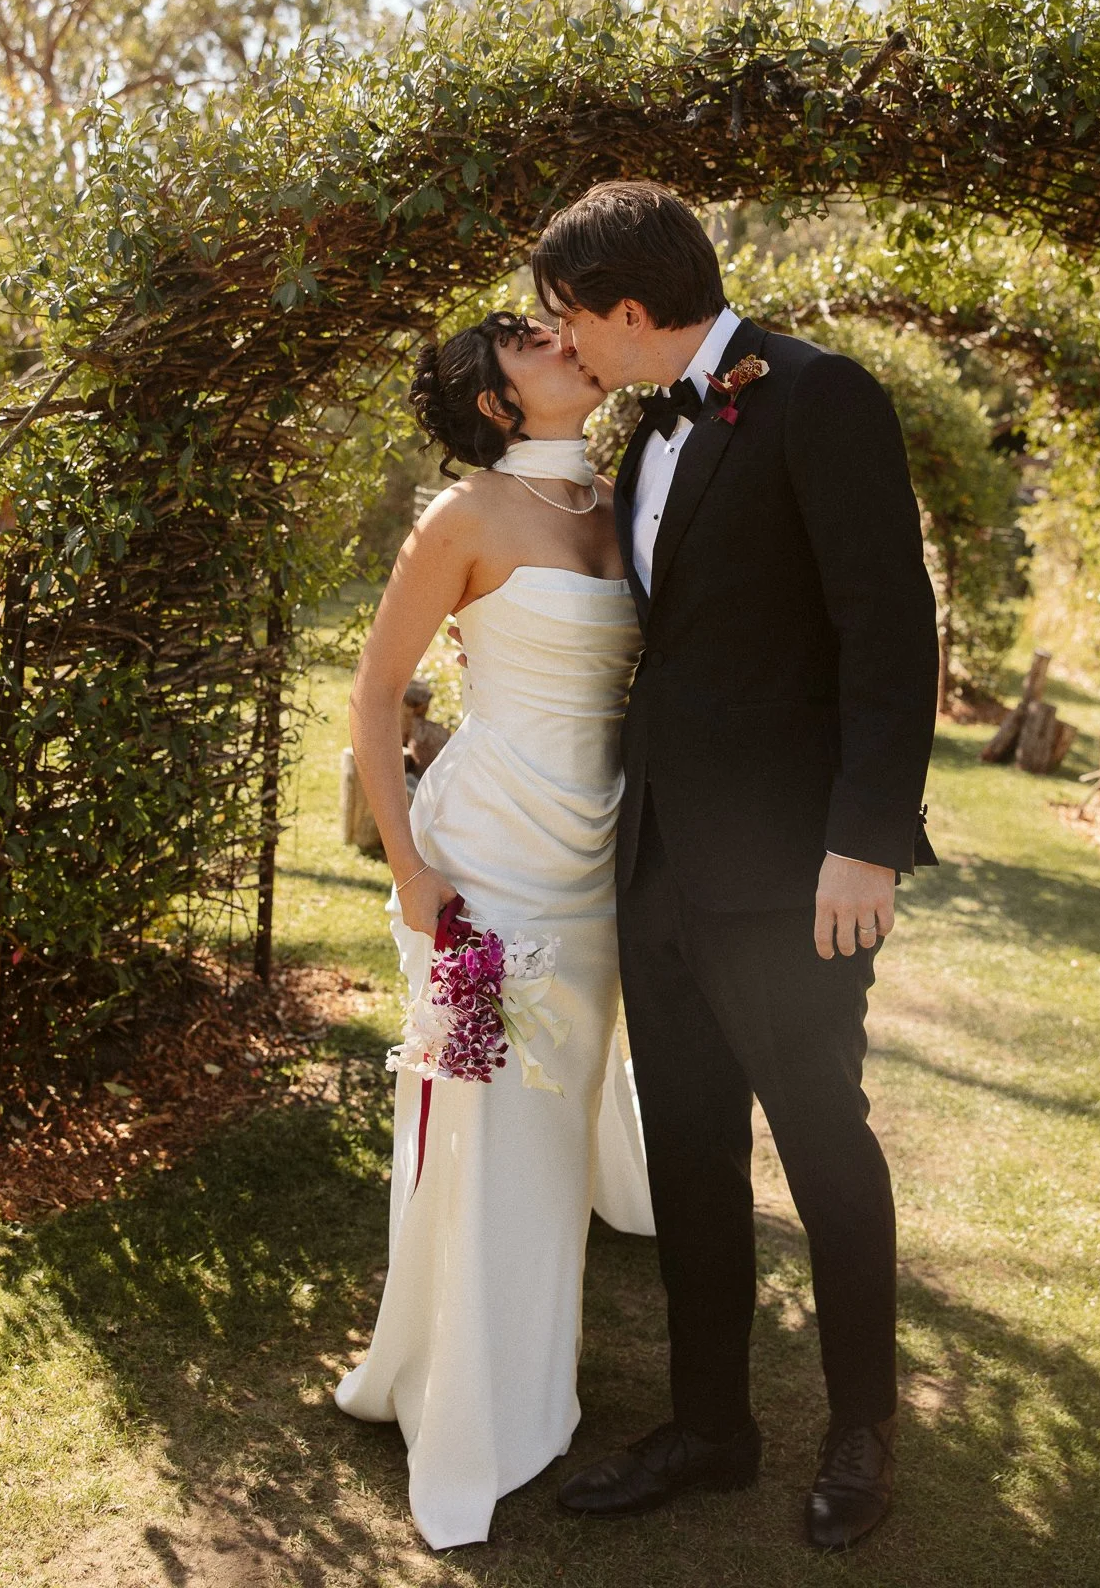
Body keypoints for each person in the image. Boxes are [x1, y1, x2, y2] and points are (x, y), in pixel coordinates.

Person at [532, 181, 939, 1553]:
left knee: (825, 1144)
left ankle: (860, 1434)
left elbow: (889, 630)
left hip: (793, 875)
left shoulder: (824, 399)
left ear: (631, 312)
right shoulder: (642, 425)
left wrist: (865, 842)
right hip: (659, 865)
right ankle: (710, 1428)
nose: (562, 341)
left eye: (569, 318)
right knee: (689, 1153)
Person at [335, 310, 654, 1552]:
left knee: (556, 1127)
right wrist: (409, 862)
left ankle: (532, 1372)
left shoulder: (621, 498)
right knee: (490, 1120)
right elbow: (373, 692)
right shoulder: (461, 516)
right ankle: (473, 1405)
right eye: (526, 336)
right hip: (485, 867)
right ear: (494, 400)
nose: (560, 334)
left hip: (598, 862)